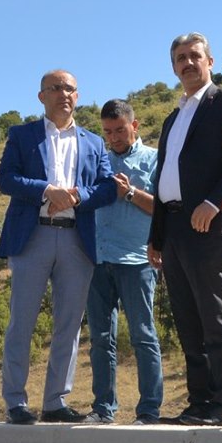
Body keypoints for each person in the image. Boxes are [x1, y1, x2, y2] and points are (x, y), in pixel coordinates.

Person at [0, 70, 117, 424]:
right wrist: (48, 191)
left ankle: (54, 402)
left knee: (69, 324)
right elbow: (6, 179)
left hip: (77, 238)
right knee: (22, 322)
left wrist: (78, 195)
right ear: (41, 96)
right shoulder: (22, 135)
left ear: (77, 96)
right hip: (33, 236)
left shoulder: (94, 142)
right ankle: (15, 401)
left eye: (70, 89)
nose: (64, 94)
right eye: (56, 88)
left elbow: (108, 188)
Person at [148, 33, 222, 425]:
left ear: (210, 61)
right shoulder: (173, 117)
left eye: (194, 56)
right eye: (179, 58)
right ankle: (199, 403)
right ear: (173, 67)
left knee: (214, 317)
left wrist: (215, 201)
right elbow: (164, 178)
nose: (187, 63)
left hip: (209, 223)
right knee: (188, 321)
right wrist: (156, 236)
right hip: (173, 229)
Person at [86, 99, 164, 424]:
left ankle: (149, 412)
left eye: (119, 130)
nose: (114, 137)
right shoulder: (97, 162)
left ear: (135, 125)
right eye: (107, 131)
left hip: (138, 260)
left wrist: (130, 192)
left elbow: (165, 208)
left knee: (143, 335)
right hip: (98, 259)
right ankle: (103, 410)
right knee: (100, 339)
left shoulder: (155, 159)